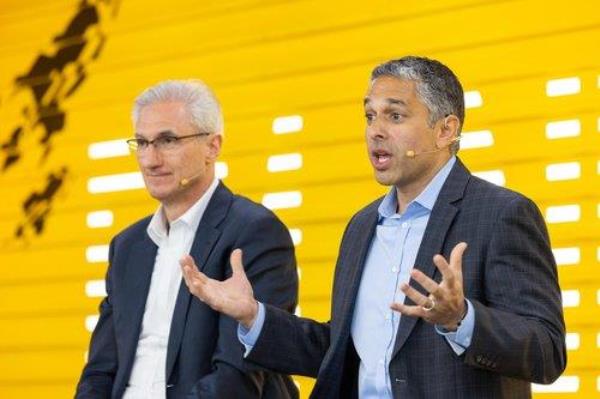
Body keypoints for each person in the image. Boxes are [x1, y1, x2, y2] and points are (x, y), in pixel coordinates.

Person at [180, 56, 567, 398]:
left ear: (446, 130)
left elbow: (547, 352)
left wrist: (461, 320)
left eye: (394, 115)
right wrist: (253, 315)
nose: (374, 131)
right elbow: (339, 353)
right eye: (369, 115)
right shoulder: (363, 226)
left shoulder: (502, 214)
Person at [76, 80, 299, 399]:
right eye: (142, 142)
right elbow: (99, 371)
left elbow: (237, 380)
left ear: (213, 145)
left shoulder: (254, 232)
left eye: (168, 140)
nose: (150, 160)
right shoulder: (127, 246)